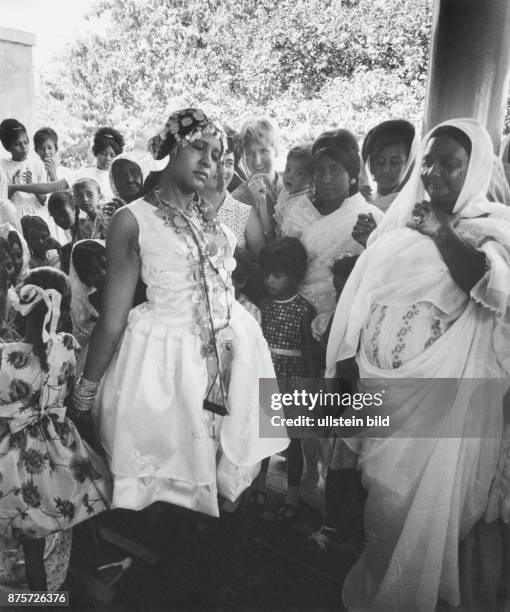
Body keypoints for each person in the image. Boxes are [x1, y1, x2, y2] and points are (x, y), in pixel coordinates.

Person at [326, 118, 510, 610]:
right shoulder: (399, 228)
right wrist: (348, 364)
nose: (433, 172)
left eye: (449, 163)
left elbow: (490, 287)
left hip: (444, 401)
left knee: (427, 509)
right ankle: (388, 579)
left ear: (476, 170)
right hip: (381, 390)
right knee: (384, 502)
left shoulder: (492, 226)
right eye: (426, 161)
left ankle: (417, 594)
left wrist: (443, 232)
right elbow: (362, 298)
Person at [73, 108, 287, 517]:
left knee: (232, 473)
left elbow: (235, 271)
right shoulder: (131, 219)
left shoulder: (216, 212)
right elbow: (113, 317)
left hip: (234, 354)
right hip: (169, 363)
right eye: (199, 148)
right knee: (175, 489)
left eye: (218, 152)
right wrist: (85, 393)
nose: (209, 160)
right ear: (171, 148)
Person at [0, 267, 111, 590]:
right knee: (49, 529)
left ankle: (20, 595)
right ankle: (46, 595)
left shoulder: (8, 359)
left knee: (19, 526)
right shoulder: (65, 347)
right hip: (56, 450)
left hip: (14, 459)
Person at [252, 237, 316, 521]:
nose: (270, 281)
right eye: (267, 274)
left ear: (294, 275)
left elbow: (308, 353)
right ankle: (258, 483)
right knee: (263, 434)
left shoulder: (303, 309)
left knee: (293, 440)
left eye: (277, 275)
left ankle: (292, 494)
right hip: (267, 375)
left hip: (294, 381)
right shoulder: (263, 306)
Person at [201, 126, 266, 256]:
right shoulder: (183, 205)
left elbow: (260, 264)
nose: (223, 171)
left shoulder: (245, 214)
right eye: (216, 163)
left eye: (229, 163)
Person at [231, 117, 283, 240]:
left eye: (264, 151)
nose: (257, 161)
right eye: (249, 153)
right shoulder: (238, 200)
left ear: (275, 150)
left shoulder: (292, 181)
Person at [0, 120, 48, 225]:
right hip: (13, 216)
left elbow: (44, 200)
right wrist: (14, 187)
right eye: (17, 144)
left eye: (26, 142)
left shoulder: (37, 164)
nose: (24, 147)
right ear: (8, 147)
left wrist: (32, 186)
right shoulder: (2, 166)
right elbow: (2, 200)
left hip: (37, 216)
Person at [69, 239, 106, 375]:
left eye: (104, 265)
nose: (103, 273)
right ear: (84, 278)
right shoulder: (89, 304)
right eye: (93, 272)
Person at [274, 143, 319, 239]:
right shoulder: (287, 191)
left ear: (311, 178)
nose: (289, 176)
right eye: (288, 169)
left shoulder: (303, 203)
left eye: (298, 173)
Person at [75, 127, 124, 200]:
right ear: (96, 153)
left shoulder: (121, 179)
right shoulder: (84, 174)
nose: (107, 158)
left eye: (112, 155)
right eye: (103, 153)